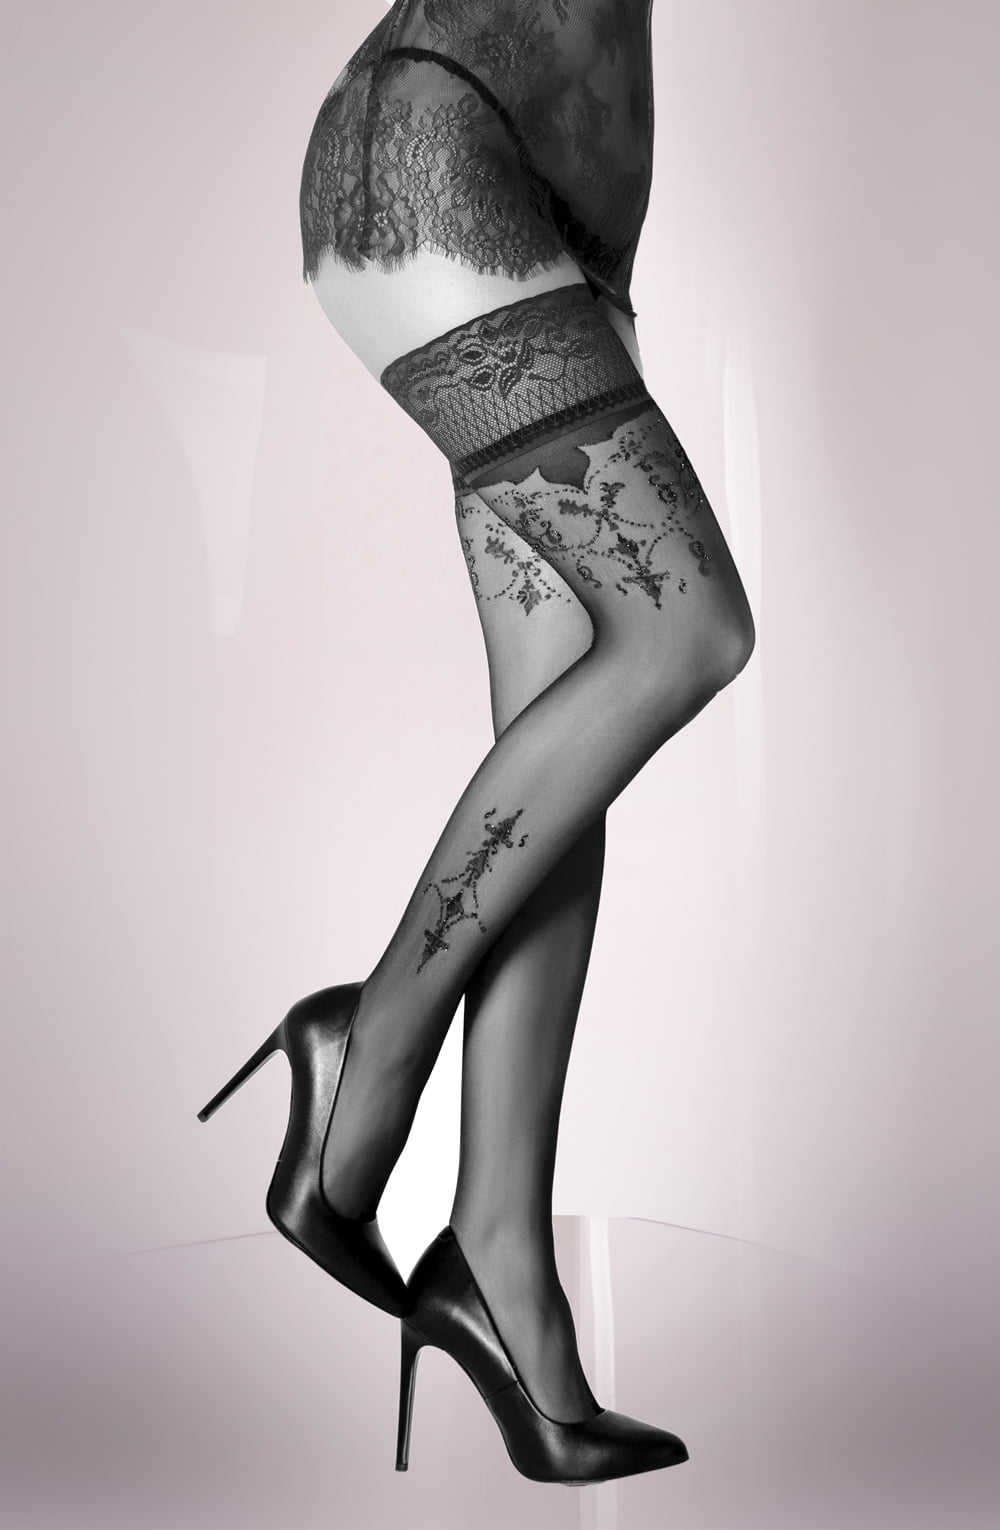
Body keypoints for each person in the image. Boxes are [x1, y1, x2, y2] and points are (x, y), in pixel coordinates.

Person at [199, 0, 754, 1486]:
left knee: (569, 726)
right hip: (441, 143)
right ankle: (366, 1047)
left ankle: (500, 1253)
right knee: (688, 631)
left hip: (574, 210)